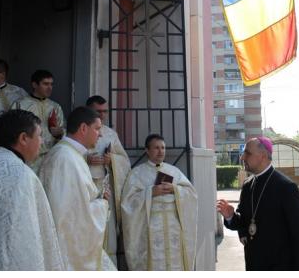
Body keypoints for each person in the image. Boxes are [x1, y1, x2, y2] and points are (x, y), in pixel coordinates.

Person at [0, 109, 65, 270]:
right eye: (40, 135)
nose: (42, 142)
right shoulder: (22, 176)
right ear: (23, 138)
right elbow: (25, 241)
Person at [216, 137, 299, 271]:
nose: (242, 157)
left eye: (247, 153)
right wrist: (231, 216)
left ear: (262, 156)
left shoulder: (286, 187)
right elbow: (244, 223)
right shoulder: (247, 185)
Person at [39, 106, 116, 270]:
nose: (100, 134)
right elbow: (72, 216)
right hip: (67, 250)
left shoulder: (69, 154)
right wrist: (102, 202)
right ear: (83, 128)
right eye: (97, 129)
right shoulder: (65, 159)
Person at [121, 133, 198, 270]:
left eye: (163, 148)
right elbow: (128, 204)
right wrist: (151, 192)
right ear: (147, 150)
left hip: (173, 228)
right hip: (150, 228)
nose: (160, 151)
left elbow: (191, 194)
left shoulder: (174, 171)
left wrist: (175, 189)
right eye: (156, 148)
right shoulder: (137, 174)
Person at [86, 95, 131, 268]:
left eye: (105, 111)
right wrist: (86, 159)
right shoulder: (77, 129)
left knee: (107, 233)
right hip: (85, 190)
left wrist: (111, 160)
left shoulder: (111, 134)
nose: (103, 115)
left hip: (105, 190)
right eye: (99, 111)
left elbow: (124, 161)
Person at [11, 70, 65, 171]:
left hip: (50, 157)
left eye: (51, 84)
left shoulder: (55, 106)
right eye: (45, 84)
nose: (50, 88)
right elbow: (13, 131)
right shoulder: (20, 104)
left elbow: (62, 132)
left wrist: (59, 133)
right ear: (34, 85)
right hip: (28, 157)